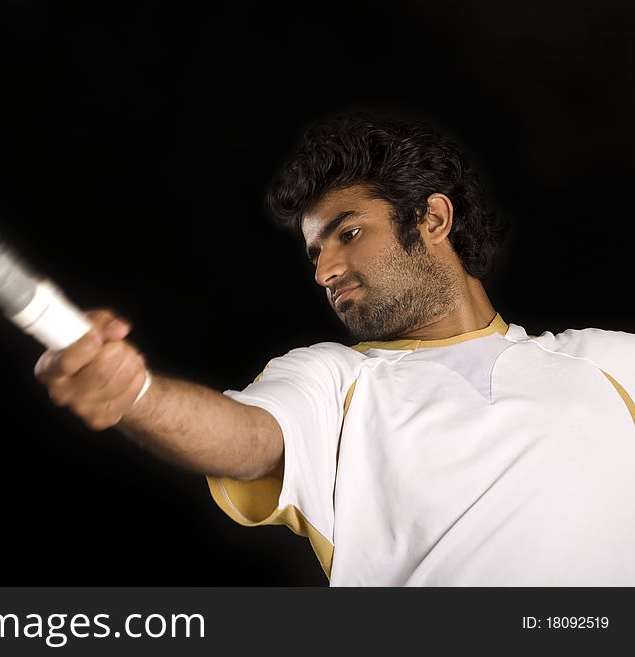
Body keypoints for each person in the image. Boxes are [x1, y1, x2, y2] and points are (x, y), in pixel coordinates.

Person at [33, 114, 635, 586]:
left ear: (432, 219)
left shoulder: (607, 362)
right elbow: (245, 437)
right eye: (315, 253)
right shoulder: (334, 381)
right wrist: (134, 392)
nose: (326, 271)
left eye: (347, 234)